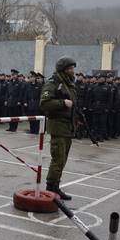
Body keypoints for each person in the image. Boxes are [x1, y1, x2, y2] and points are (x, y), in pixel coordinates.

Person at [40, 56, 78, 201]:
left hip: (67, 127)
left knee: (63, 160)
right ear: (63, 70)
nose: (72, 71)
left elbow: (73, 104)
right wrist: (62, 103)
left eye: (72, 68)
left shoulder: (68, 84)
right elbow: (44, 104)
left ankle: (56, 185)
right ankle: (51, 188)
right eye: (70, 68)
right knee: (58, 159)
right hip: (58, 126)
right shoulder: (53, 83)